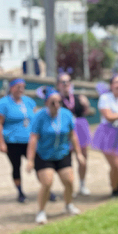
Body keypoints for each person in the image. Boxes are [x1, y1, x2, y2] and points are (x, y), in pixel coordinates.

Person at [26, 88, 86, 224]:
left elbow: (72, 135)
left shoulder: (66, 114)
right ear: (46, 103)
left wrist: (79, 154)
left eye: (59, 102)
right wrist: (30, 160)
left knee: (69, 181)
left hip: (62, 153)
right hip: (44, 155)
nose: (57, 105)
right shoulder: (39, 117)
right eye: (53, 102)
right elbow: (33, 138)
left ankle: (68, 204)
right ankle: (41, 211)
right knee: (47, 182)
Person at [0, 78, 36, 203]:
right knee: (16, 166)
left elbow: (35, 119)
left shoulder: (28, 101)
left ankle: (46, 187)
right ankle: (20, 192)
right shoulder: (3, 103)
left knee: (38, 163)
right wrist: (1, 142)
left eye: (22, 86)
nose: (20, 89)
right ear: (11, 88)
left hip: (29, 140)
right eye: (18, 87)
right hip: (13, 141)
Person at [57, 73, 95, 195]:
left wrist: (86, 105)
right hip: (66, 129)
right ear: (58, 85)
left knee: (83, 157)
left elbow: (86, 111)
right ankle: (70, 185)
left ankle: (82, 184)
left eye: (68, 81)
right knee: (67, 159)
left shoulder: (79, 97)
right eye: (63, 82)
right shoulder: (56, 99)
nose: (66, 84)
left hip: (81, 127)